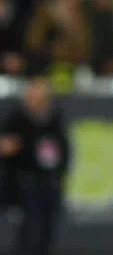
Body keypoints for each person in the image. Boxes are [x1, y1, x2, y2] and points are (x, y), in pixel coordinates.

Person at [0, 75, 70, 255]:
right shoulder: (17, 118)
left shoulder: (54, 118)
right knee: (30, 234)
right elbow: (7, 146)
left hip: (50, 182)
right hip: (27, 183)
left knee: (47, 235)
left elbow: (63, 149)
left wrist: (61, 173)